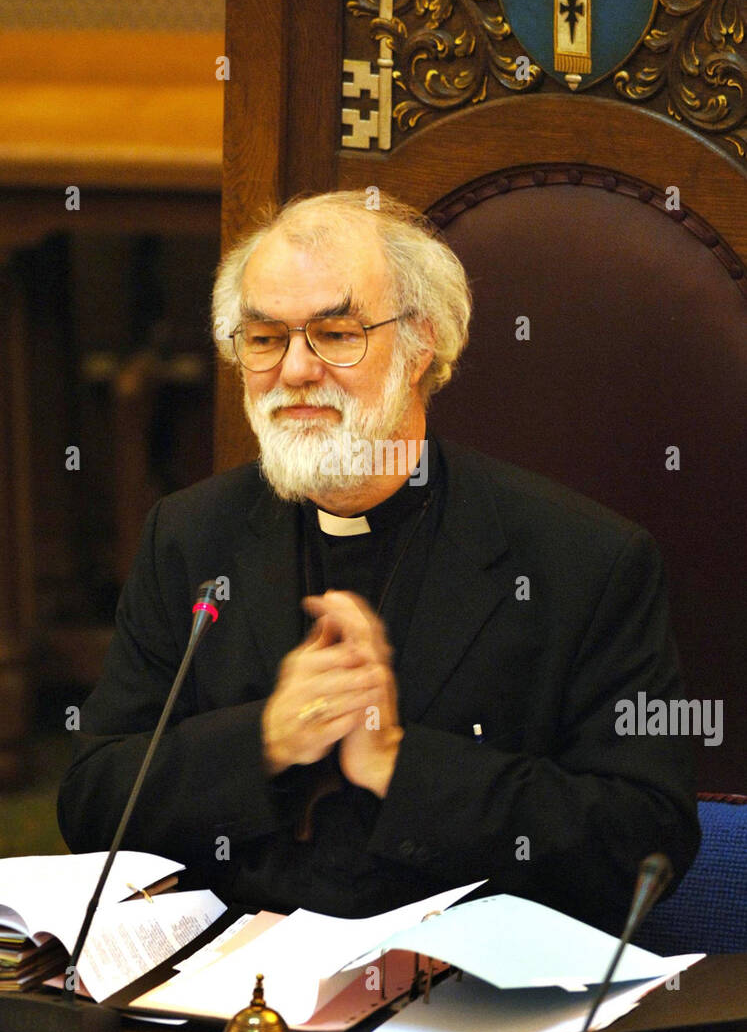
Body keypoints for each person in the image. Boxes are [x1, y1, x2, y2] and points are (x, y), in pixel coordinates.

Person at [57, 190, 700, 935]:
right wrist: (264, 739)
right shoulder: (192, 535)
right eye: (263, 339)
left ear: (422, 342)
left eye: (334, 333)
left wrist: (398, 761)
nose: (294, 370)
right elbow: (91, 802)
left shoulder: (581, 559)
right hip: (231, 1000)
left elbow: (644, 846)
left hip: (466, 1005)